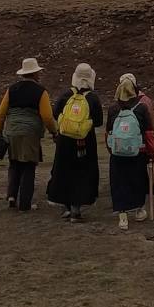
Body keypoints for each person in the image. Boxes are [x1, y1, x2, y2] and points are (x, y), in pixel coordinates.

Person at [0, 58, 56, 212]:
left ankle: (11, 196)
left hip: (12, 132)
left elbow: (1, 113)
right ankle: (25, 204)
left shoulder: (12, 89)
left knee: (14, 163)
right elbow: (47, 116)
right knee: (28, 166)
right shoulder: (41, 91)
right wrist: (54, 132)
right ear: (34, 74)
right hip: (30, 133)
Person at [46, 63, 104, 222]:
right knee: (83, 173)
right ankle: (76, 210)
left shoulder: (66, 94)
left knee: (64, 170)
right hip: (85, 141)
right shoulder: (92, 98)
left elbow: (55, 112)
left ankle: (65, 206)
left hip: (64, 140)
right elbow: (99, 121)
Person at [105, 73, 154, 230]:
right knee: (137, 180)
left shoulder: (113, 109)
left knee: (119, 182)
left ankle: (122, 216)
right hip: (137, 153)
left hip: (117, 153)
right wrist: (151, 152)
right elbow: (149, 133)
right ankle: (139, 210)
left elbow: (108, 133)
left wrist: (111, 150)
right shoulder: (142, 108)